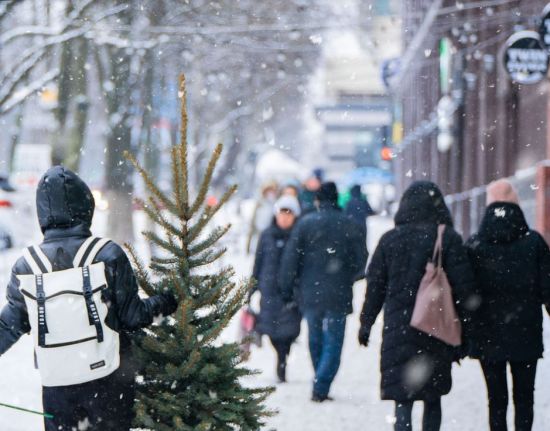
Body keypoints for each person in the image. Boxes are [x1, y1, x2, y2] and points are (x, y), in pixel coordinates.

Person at [0, 166, 178, 431]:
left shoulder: (27, 267)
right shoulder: (107, 254)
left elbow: (7, 327)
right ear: (86, 206)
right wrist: (168, 301)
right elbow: (134, 316)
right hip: (108, 381)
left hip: (57, 387)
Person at [358, 181, 475, 431]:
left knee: (403, 399)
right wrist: (466, 332)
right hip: (436, 328)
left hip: (399, 331)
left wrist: (366, 323)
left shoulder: (389, 240)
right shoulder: (447, 239)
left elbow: (375, 287)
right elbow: (464, 289)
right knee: (433, 398)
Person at [466, 179, 550, 431]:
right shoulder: (534, 242)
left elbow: (465, 289)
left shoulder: (475, 245)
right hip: (525, 331)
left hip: (487, 333)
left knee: (496, 398)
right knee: (525, 397)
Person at [280, 182, 367, 402]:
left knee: (315, 337)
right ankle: (322, 382)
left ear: (317, 200)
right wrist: (349, 277)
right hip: (339, 292)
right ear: (336, 199)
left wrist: (288, 288)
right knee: (334, 341)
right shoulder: (349, 224)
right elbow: (361, 260)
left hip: (310, 292)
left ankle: (320, 378)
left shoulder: (304, 224)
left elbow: (291, 259)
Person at [251, 195, 302, 383]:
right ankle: (281, 360)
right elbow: (258, 262)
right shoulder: (266, 235)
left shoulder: (299, 235)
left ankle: (283, 360)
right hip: (269, 290)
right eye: (282, 212)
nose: (285, 217)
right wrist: (252, 287)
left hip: (291, 293)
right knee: (272, 331)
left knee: (289, 331)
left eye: (289, 213)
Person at [246, 181, 278, 254]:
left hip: (270, 233)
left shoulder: (276, 205)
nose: (270, 194)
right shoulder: (260, 203)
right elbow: (253, 220)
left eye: (272, 192)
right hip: (258, 232)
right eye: (268, 191)